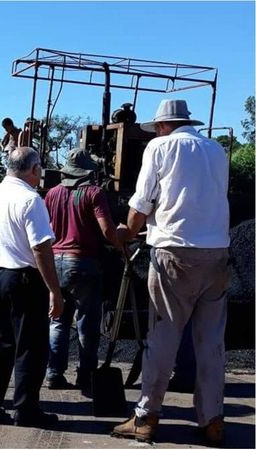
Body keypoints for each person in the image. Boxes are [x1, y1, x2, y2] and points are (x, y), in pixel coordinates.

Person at [111, 100, 230, 446]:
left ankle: (146, 417)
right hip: (217, 253)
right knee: (211, 343)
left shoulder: (160, 147)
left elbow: (142, 202)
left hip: (174, 254)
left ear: (163, 125)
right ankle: (212, 422)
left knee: (163, 336)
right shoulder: (216, 150)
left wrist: (126, 232)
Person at [0, 146, 64, 427]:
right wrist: (54, 289)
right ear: (34, 169)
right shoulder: (30, 199)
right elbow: (40, 247)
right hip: (23, 279)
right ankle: (26, 410)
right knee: (31, 347)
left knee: (0, 344)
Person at [44, 148, 120, 391]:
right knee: (87, 323)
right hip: (84, 263)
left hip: (55, 262)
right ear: (88, 172)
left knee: (58, 321)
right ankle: (86, 374)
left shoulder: (52, 194)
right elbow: (107, 231)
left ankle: (54, 373)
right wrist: (123, 247)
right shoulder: (94, 193)